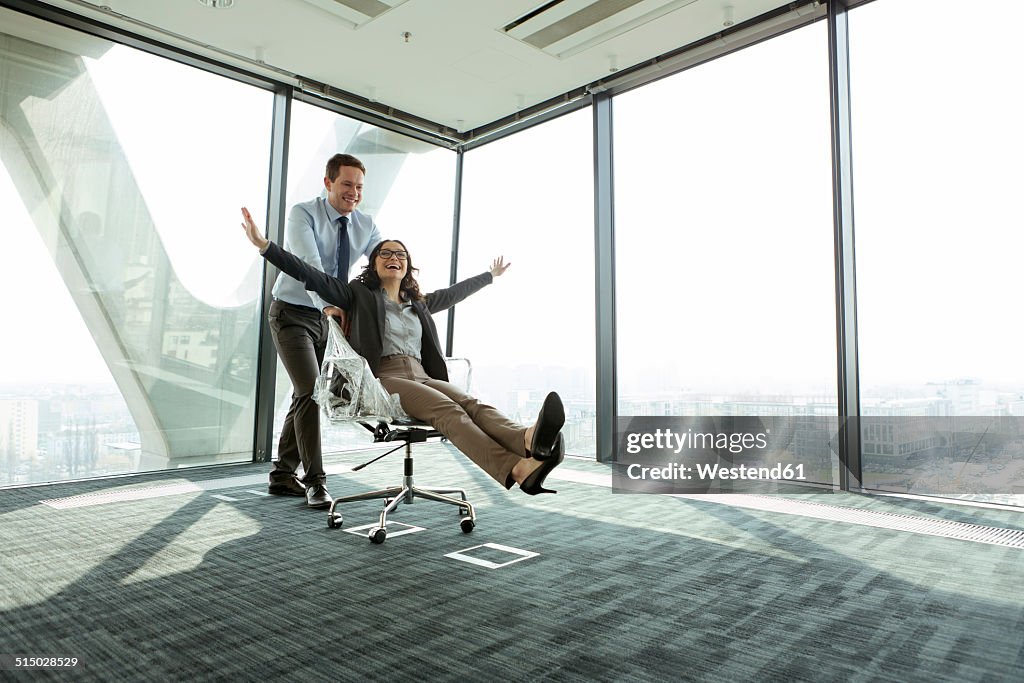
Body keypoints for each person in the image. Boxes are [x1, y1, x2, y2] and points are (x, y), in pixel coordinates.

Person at [241, 208, 566, 495]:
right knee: (448, 411)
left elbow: (455, 293)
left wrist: (489, 277)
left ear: (408, 265)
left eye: (400, 253)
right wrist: (266, 247)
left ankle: (526, 439)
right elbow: (310, 274)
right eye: (384, 253)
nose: (393, 256)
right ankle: (517, 469)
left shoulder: (419, 304)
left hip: (422, 376)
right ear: (374, 263)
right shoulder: (357, 296)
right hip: (383, 380)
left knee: (470, 404)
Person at [267, 154, 382, 509]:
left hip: (328, 321)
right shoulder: (303, 213)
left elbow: (381, 266)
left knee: (306, 393)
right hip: (292, 314)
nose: (354, 193)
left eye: (359, 187)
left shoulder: (365, 225)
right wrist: (328, 305)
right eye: (347, 184)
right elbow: (310, 267)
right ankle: (315, 481)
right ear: (328, 183)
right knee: (310, 391)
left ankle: (282, 474)